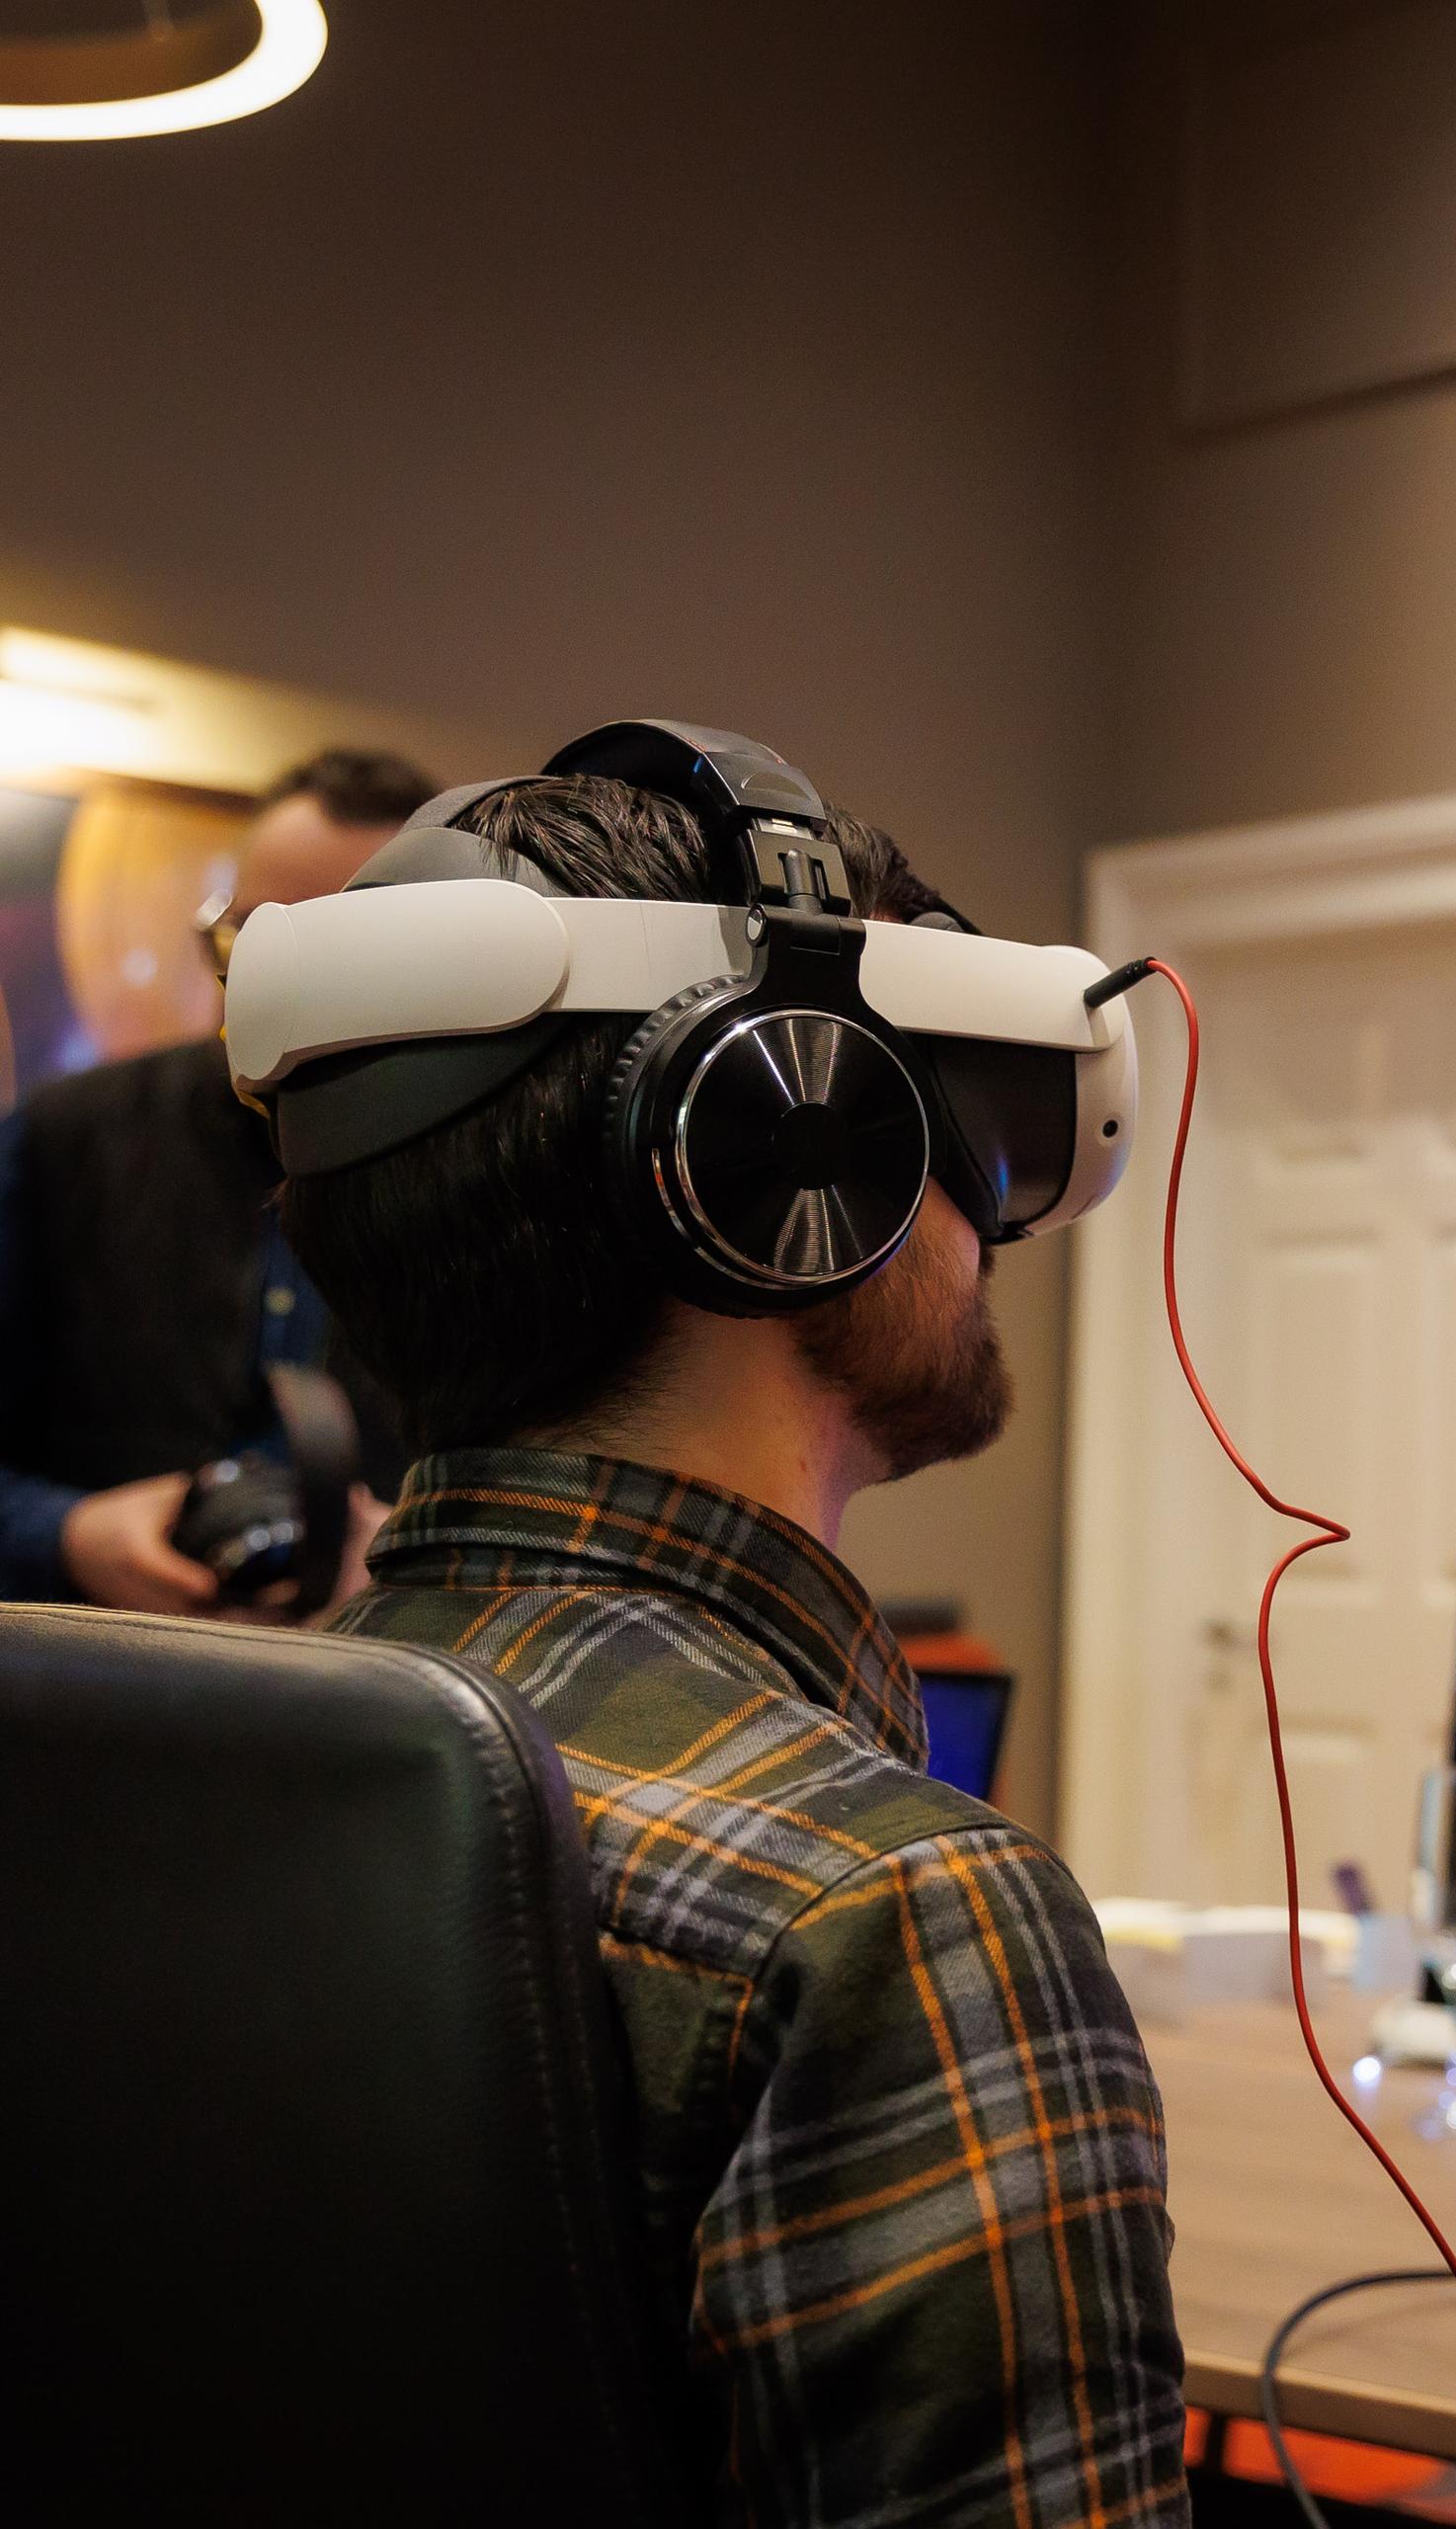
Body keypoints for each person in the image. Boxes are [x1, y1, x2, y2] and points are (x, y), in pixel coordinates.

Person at [280, 772, 1186, 2525]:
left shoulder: (180, 1772)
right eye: (942, 1131)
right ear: (798, 1163)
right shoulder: (882, 1918)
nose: (985, 1218)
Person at [0, 746, 434, 1609]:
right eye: (241, 938)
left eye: (328, 957)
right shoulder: (62, 1139)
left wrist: (416, 1556)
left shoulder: (488, 1179)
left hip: (378, 1702)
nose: (259, 988)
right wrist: (66, 1534)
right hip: (90, 1686)